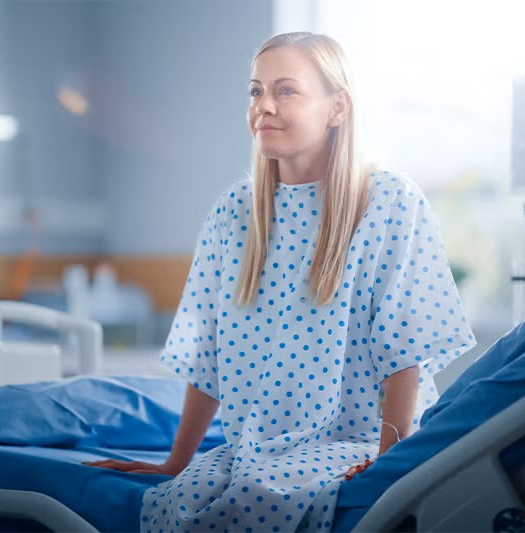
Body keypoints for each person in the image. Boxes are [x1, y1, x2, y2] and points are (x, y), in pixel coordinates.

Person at [86, 31, 476, 531]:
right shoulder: (234, 213)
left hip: (356, 442)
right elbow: (207, 357)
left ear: (337, 107)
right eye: (255, 91)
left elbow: (406, 350)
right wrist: (176, 462)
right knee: (181, 501)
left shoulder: (388, 201)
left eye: (285, 90)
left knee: (253, 495)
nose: (263, 106)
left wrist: (388, 464)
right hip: (259, 441)